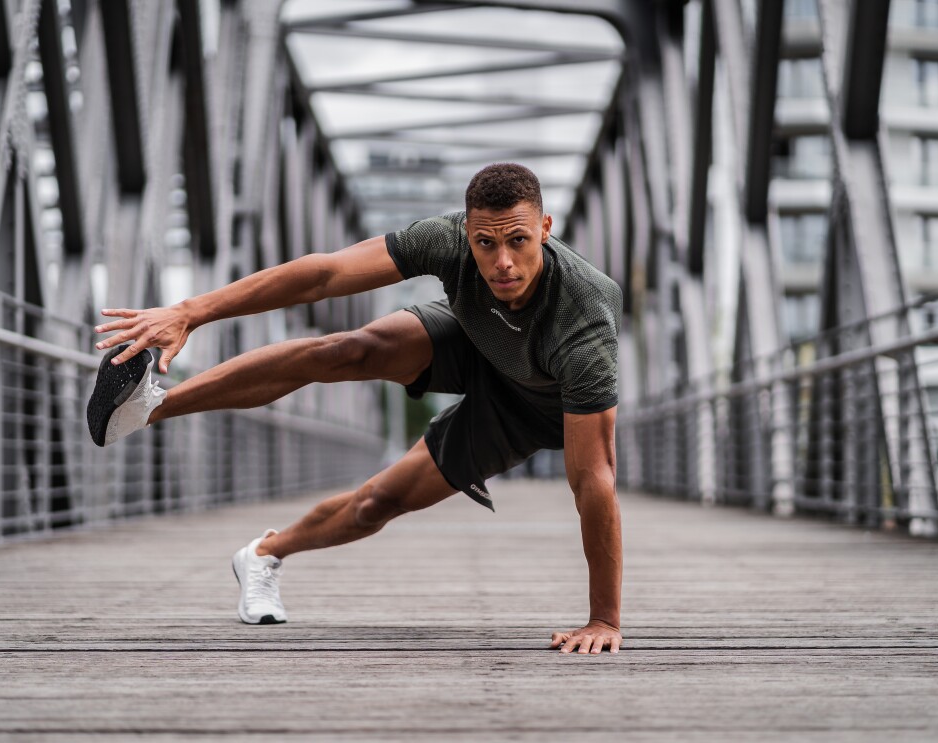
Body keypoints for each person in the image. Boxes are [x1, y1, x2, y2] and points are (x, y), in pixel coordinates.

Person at [88, 163, 624, 655]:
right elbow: (325, 275)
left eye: (518, 241)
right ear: (467, 234)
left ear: (546, 228)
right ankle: (148, 408)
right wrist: (190, 311)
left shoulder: (584, 320)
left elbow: (593, 476)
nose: (502, 261)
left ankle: (264, 553)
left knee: (377, 504)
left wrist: (603, 620)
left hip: (527, 407)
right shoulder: (446, 239)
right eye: (486, 243)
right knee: (347, 349)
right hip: (475, 336)